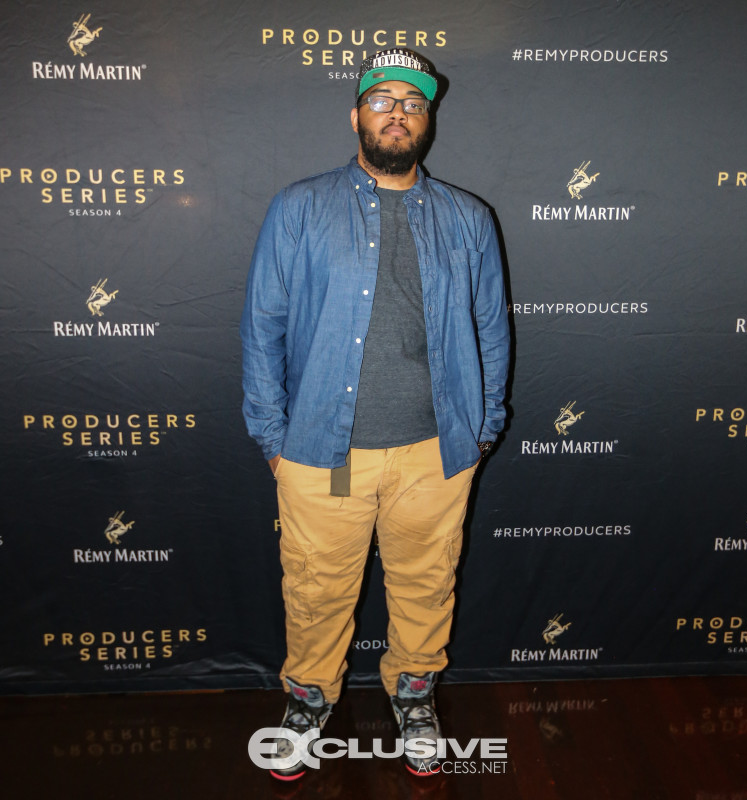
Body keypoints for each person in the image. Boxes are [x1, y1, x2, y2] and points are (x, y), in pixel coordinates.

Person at [240, 48, 510, 780]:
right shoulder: (299, 207)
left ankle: (414, 695)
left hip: (436, 452)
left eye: (413, 103)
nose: (398, 113)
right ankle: (308, 700)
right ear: (356, 114)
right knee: (316, 589)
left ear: (429, 120)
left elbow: (491, 329)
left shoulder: (468, 217)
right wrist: (273, 438)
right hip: (320, 452)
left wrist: (482, 428)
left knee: (427, 583)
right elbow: (263, 326)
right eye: (383, 99)